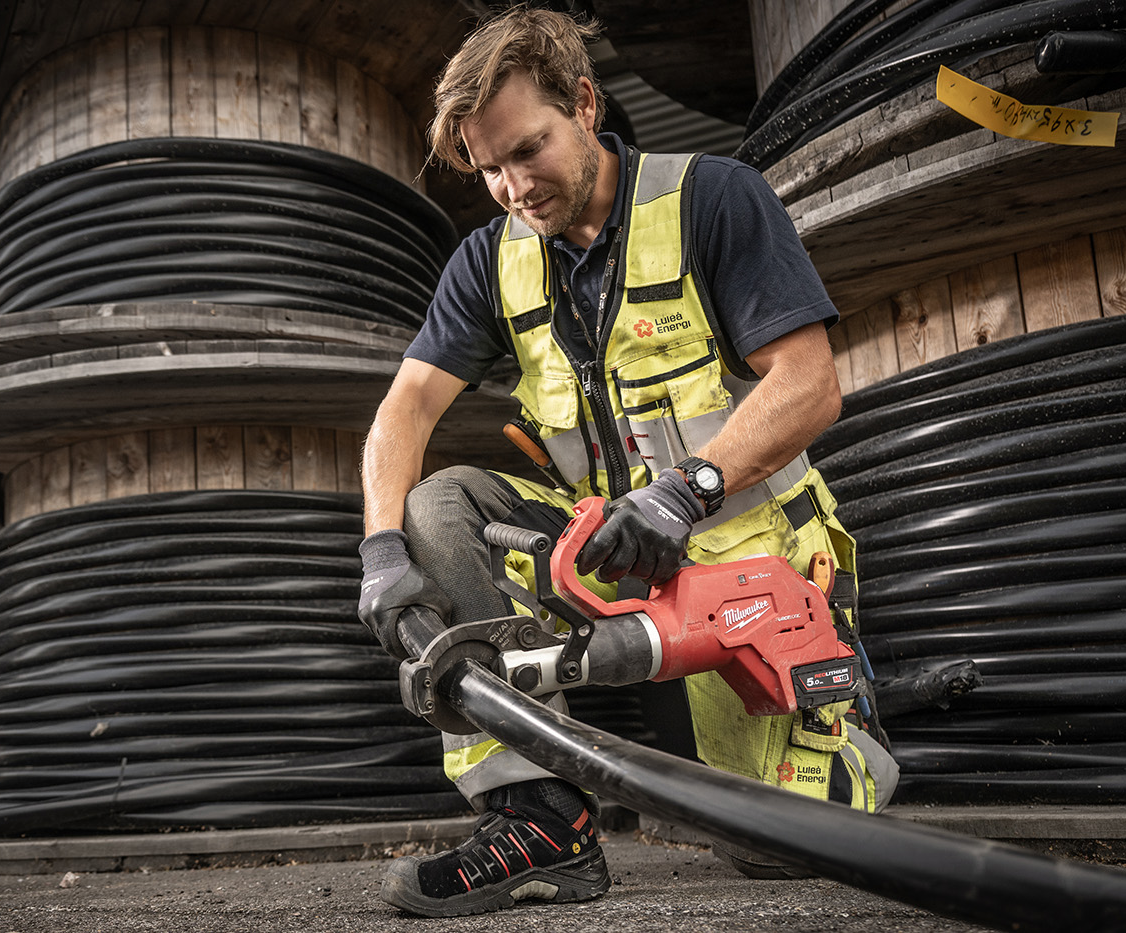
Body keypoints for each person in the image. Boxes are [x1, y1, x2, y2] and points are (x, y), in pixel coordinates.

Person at [356, 6, 897, 918]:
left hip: (746, 559)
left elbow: (810, 384)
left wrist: (688, 492)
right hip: (606, 552)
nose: (512, 187)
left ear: (585, 101)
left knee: (783, 845)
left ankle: (846, 723)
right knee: (438, 505)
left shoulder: (714, 198)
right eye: (487, 168)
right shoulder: (489, 262)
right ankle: (539, 822)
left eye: (527, 150)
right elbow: (403, 408)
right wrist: (380, 551)